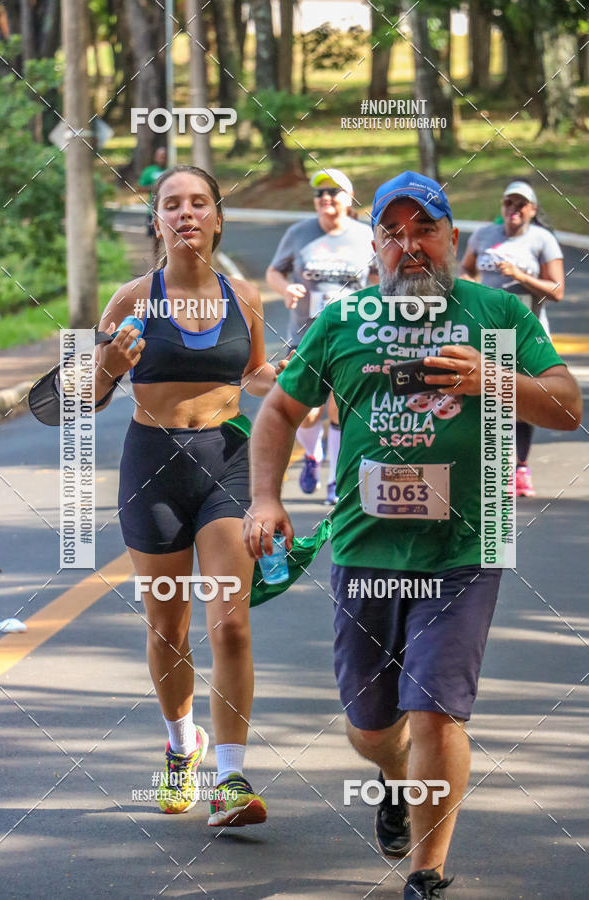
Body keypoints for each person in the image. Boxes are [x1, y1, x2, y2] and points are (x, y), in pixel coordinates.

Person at [244, 171, 582, 897]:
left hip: (467, 545)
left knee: (435, 707)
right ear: (376, 246)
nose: (410, 246)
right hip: (365, 548)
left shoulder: (497, 315)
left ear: (452, 238)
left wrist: (494, 380)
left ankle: (426, 874)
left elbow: (566, 407)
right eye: (392, 234)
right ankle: (392, 779)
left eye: (423, 230)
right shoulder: (344, 323)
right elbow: (276, 414)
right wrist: (265, 498)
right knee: (371, 727)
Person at [94, 164, 276, 826]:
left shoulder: (244, 296)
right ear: (158, 222)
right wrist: (112, 364)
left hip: (227, 462)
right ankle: (182, 746)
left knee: (229, 621)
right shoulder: (130, 299)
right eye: (173, 204)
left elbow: (254, 374)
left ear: (218, 219)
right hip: (152, 469)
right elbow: (87, 395)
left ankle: (231, 780)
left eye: (200, 203)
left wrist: (280, 383)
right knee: (168, 628)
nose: (187, 213)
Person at [266, 168, 377, 505]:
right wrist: (287, 289)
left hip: (351, 336)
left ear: (349, 199)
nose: (325, 198)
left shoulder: (364, 235)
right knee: (307, 410)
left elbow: (380, 276)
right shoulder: (299, 233)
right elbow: (274, 271)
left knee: (338, 409)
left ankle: (336, 481)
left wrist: (371, 304)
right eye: (319, 194)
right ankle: (312, 456)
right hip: (305, 335)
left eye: (333, 192)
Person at [460, 180, 565, 498]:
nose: (514, 210)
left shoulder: (542, 240)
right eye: (509, 203)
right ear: (502, 207)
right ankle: (493, 468)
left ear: (532, 210)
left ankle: (520, 467)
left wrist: (519, 276)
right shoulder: (483, 236)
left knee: (520, 399)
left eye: (521, 205)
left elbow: (557, 290)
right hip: (487, 331)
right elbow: (466, 271)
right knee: (487, 398)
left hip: (528, 334)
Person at [138, 146, 168, 267]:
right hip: (153, 211)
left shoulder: (171, 171)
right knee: (156, 238)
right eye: (160, 156)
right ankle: (156, 263)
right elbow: (140, 188)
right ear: (156, 157)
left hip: (168, 211)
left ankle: (169, 261)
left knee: (170, 237)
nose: (162, 159)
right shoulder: (149, 171)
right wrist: (154, 187)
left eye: (164, 156)